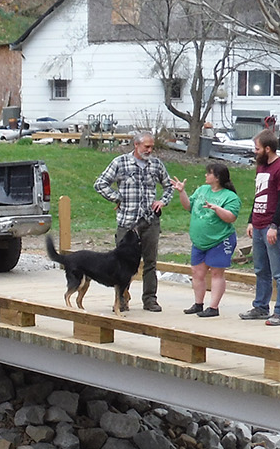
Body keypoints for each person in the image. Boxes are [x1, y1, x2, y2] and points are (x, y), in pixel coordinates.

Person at [93, 129, 180, 311]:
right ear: (136, 145)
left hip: (149, 221)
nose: (149, 150)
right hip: (128, 221)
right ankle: (121, 300)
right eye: (146, 147)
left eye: (152, 147)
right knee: (122, 262)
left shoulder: (156, 165)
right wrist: (117, 198)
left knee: (150, 261)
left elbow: (168, 186)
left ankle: (150, 299)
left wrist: (162, 201)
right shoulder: (120, 162)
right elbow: (100, 184)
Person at [239, 132, 280, 324]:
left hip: (271, 226)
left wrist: (274, 226)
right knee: (261, 269)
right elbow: (258, 195)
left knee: (279, 271)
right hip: (258, 223)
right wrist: (251, 220)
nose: (255, 152)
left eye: (257, 148)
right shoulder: (261, 167)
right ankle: (261, 306)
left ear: (267, 149)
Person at [176, 160, 241, 316]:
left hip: (220, 239)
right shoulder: (202, 190)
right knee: (197, 272)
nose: (206, 175)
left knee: (216, 273)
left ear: (217, 177)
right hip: (199, 241)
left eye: (209, 173)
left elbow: (231, 217)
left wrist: (217, 209)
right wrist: (181, 192)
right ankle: (198, 304)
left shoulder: (230, 197)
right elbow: (189, 207)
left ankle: (213, 307)